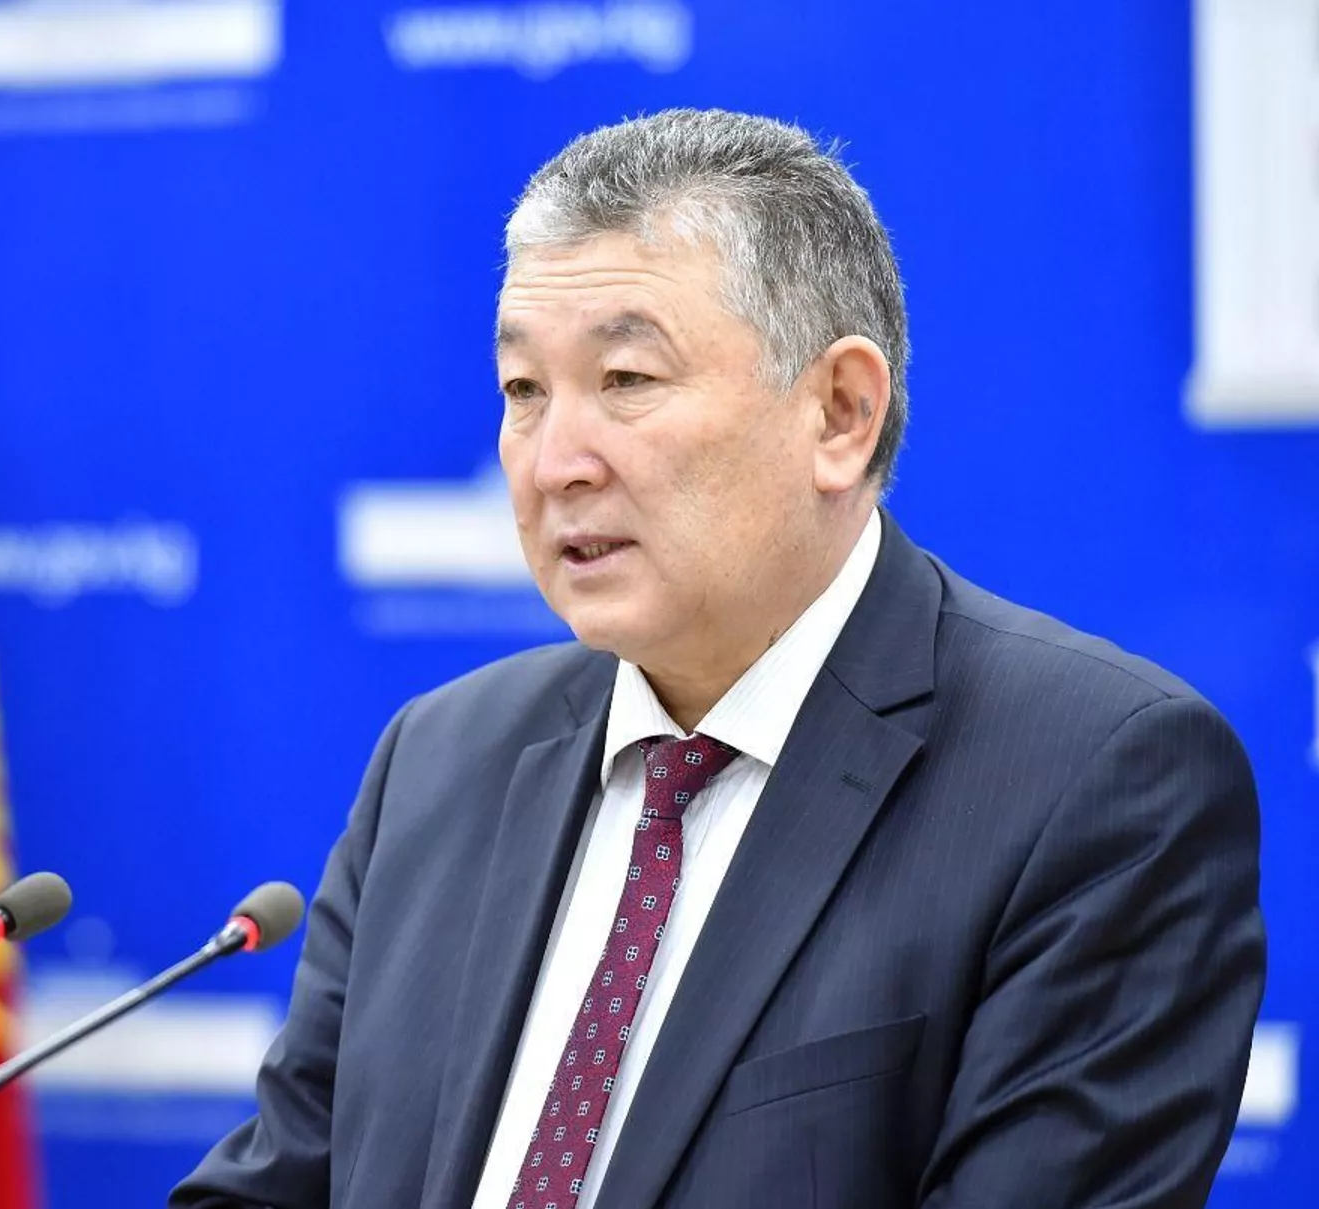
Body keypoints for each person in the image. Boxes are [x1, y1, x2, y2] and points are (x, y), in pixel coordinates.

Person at [170, 108, 1266, 1209]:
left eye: (627, 380)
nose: (554, 464)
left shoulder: (1093, 785)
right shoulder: (441, 759)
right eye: (523, 391)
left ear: (839, 413)